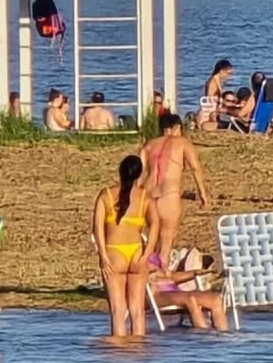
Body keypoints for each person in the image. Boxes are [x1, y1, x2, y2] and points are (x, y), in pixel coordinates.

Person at [93, 155, 159, 337]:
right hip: (137, 252)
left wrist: (103, 257)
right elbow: (155, 225)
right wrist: (147, 253)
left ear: (120, 171)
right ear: (139, 174)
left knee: (118, 310)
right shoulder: (145, 197)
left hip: (114, 253)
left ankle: (118, 350)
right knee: (137, 311)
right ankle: (138, 349)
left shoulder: (106, 195)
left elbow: (97, 228)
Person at [140, 113, 209, 267]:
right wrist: (202, 193)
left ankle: (150, 273)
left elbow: (138, 175)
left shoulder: (149, 145)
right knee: (166, 243)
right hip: (168, 196)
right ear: (177, 127)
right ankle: (162, 275)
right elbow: (195, 168)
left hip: (148, 196)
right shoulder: (182, 143)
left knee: (152, 242)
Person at [147, 253, 228, 331]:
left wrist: (195, 272)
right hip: (156, 295)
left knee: (215, 299)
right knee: (190, 299)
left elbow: (171, 276)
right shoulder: (143, 257)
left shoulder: (157, 254)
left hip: (173, 291)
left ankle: (223, 335)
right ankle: (203, 334)